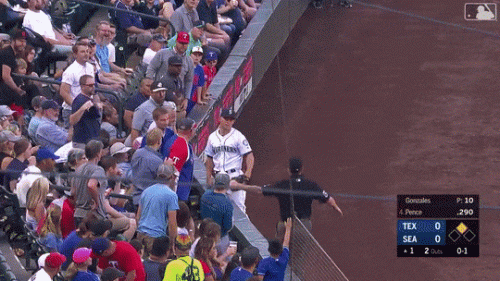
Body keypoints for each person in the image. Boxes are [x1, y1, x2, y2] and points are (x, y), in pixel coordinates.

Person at [263, 157, 343, 232]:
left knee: (281, 243)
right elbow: (328, 199)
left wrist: (250, 187)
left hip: (286, 224)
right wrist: (336, 208)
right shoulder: (310, 185)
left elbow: (261, 190)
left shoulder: (282, 184)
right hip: (304, 226)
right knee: (302, 245)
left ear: (288, 170)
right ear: (302, 169)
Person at [204, 108, 254, 213]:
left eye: (231, 119)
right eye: (226, 118)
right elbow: (209, 157)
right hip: (218, 179)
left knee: (239, 211)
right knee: (218, 209)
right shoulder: (212, 137)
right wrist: (208, 176)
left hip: (234, 178)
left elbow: (249, 155)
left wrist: (247, 174)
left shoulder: (238, 137)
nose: (228, 122)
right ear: (220, 118)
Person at [136, 164, 179, 255]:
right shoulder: (171, 195)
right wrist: (172, 243)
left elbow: (138, 217)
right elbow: (172, 223)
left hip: (140, 235)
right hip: (156, 239)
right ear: (171, 177)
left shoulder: (146, 191)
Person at [146, 32, 194, 101]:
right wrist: (150, 83)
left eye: (185, 43)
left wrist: (186, 98)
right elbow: (151, 68)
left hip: (177, 94)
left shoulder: (189, 60)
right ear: (176, 42)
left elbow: (189, 80)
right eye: (181, 43)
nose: (183, 45)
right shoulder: (162, 53)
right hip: (160, 91)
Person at [72, 140, 107, 226]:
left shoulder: (78, 169)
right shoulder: (98, 170)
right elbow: (91, 185)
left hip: (78, 214)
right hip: (93, 216)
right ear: (98, 154)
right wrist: (96, 201)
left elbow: (73, 191)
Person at [60, 43, 94, 128]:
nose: (86, 54)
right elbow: (63, 92)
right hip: (72, 110)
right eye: (82, 52)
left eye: (87, 51)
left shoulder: (90, 67)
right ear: (75, 54)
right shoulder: (70, 71)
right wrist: (77, 106)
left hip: (88, 108)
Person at [162, 117, 196, 201]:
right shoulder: (180, 146)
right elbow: (173, 174)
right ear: (191, 131)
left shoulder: (177, 141)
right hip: (177, 195)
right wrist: (172, 199)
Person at [130, 128, 166, 204]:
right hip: (149, 201)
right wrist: (167, 167)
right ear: (158, 141)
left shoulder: (137, 153)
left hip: (135, 197)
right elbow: (162, 182)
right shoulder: (157, 161)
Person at [200, 172, 233, 255]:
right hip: (219, 239)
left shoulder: (205, 195)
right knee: (226, 259)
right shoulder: (227, 203)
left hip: (204, 236)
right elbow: (228, 226)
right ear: (227, 186)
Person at [70, 74, 102, 148]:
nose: (93, 87)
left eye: (94, 85)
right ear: (82, 86)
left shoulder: (90, 99)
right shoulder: (79, 100)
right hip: (83, 142)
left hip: (92, 140)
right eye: (90, 85)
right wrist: (82, 109)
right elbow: (72, 120)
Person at [0, 29, 27, 106]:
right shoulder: (7, 53)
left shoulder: (11, 53)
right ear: (13, 41)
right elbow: (6, 77)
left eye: (24, 42)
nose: (23, 44)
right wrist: (17, 90)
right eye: (20, 41)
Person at [187, 46, 207, 114]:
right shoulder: (186, 65)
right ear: (190, 55)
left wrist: (199, 99)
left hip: (192, 96)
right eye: (195, 54)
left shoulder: (200, 69)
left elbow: (200, 85)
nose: (197, 57)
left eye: (199, 55)